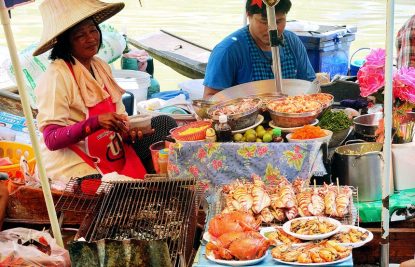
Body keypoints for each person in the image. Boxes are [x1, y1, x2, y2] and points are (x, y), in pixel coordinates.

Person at [33, 0, 176, 183]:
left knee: (165, 123)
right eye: (80, 35)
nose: (91, 38)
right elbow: (52, 139)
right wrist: (95, 123)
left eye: (93, 30)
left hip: (109, 147)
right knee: (108, 189)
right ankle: (138, 189)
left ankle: (150, 184)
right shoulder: (56, 76)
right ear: (66, 43)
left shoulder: (99, 65)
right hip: (74, 159)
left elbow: (119, 117)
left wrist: (128, 131)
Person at [203, 0, 315, 98]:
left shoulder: (292, 42)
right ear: (249, 16)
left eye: (279, 21)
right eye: (264, 22)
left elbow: (310, 85)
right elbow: (210, 97)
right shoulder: (228, 50)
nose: (272, 29)